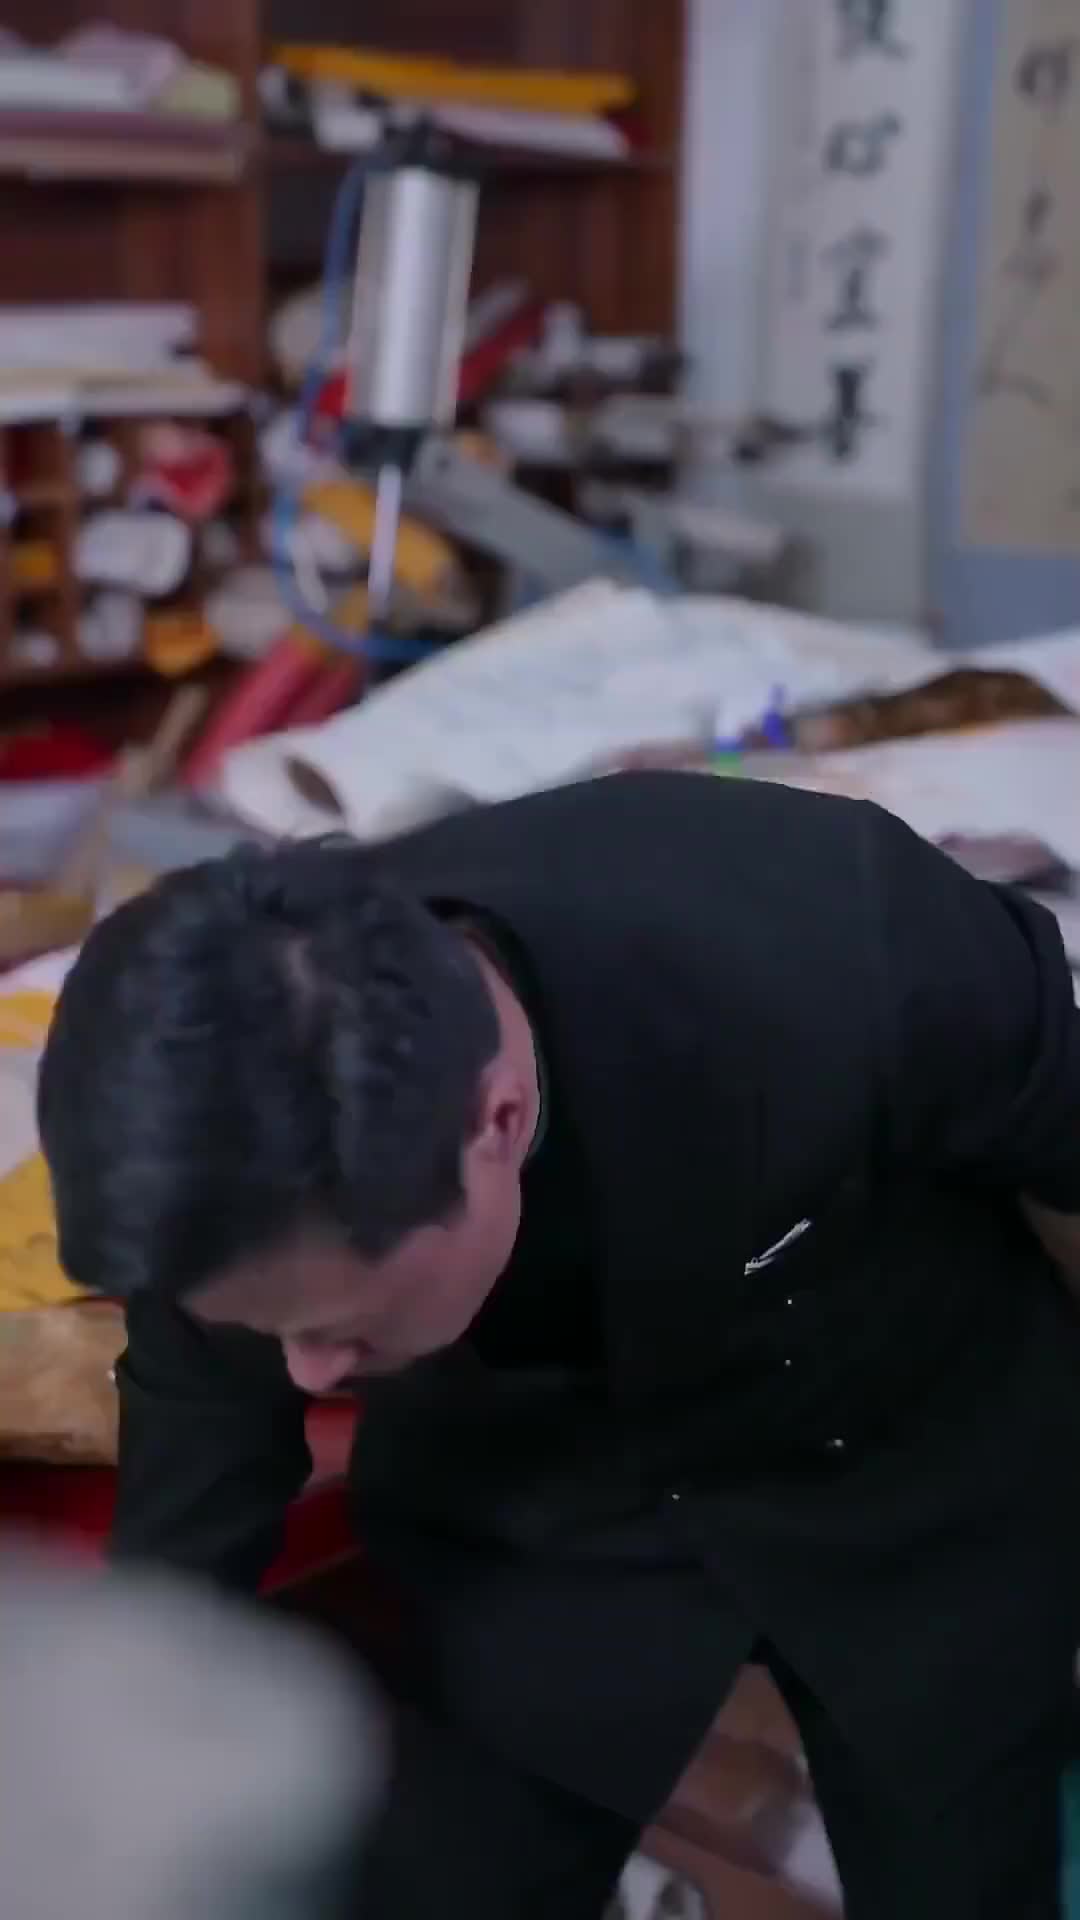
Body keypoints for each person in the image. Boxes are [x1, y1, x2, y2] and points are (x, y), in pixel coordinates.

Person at [37, 770, 1080, 1920]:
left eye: (340, 1332)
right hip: (533, 1510)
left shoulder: (844, 938)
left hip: (906, 1474)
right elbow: (198, 1462)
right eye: (270, 1333)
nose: (310, 1375)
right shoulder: (214, 1132)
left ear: (494, 1121)